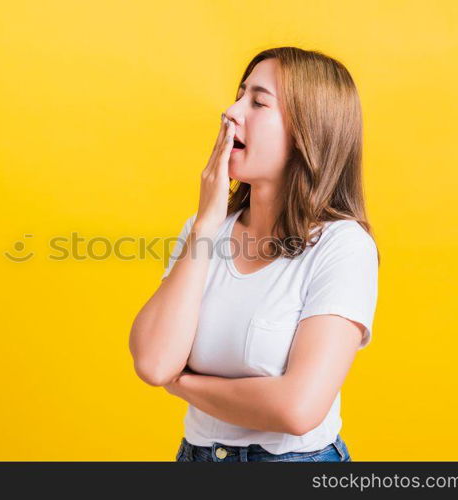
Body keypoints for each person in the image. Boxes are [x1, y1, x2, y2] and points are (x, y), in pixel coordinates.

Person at [129, 47, 380, 462]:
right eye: (239, 94)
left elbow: (297, 408)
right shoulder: (203, 229)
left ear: (308, 133)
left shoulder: (344, 247)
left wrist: (184, 384)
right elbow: (155, 363)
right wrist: (207, 225)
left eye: (258, 102)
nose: (230, 112)